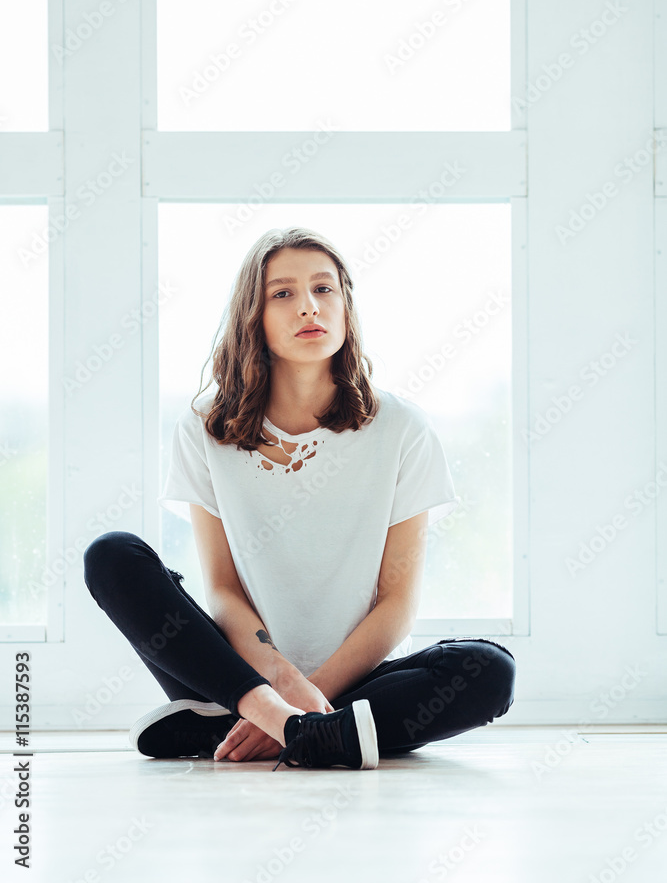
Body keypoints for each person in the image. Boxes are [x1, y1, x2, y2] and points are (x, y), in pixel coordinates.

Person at [83, 226, 516, 771]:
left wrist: (305, 700)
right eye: (282, 293)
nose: (308, 306)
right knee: (113, 555)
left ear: (346, 306)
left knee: (489, 670)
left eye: (324, 289)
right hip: (234, 672)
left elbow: (396, 603)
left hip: (351, 682)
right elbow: (221, 587)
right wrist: (273, 692)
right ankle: (303, 730)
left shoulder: (402, 429)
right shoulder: (204, 427)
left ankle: (255, 729)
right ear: (254, 317)